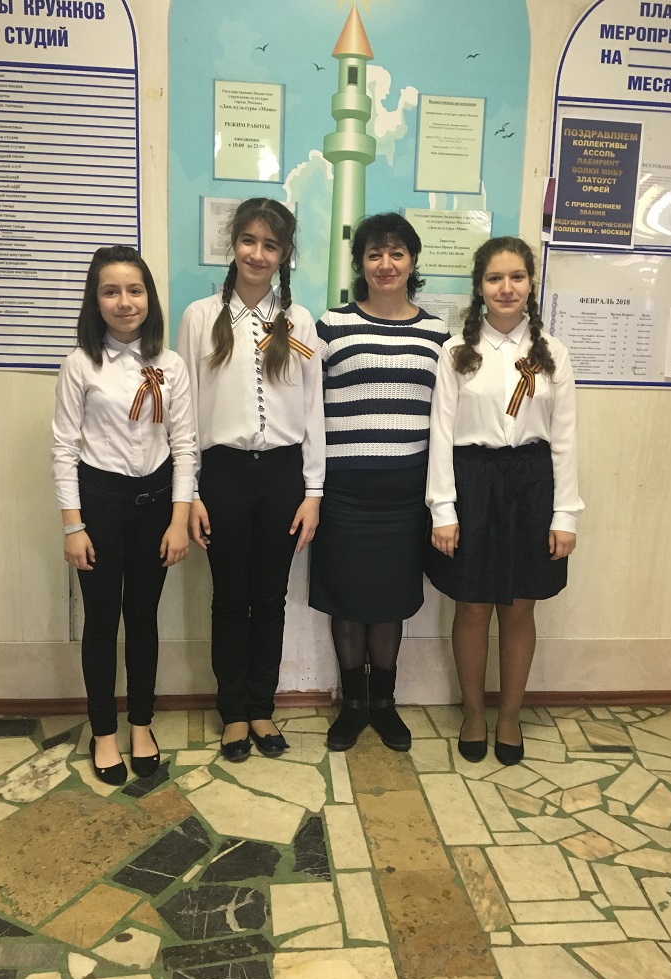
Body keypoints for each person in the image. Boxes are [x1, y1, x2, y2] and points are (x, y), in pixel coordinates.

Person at [176, 198, 325, 762]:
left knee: (270, 598)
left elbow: (313, 410)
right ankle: (233, 712)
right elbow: (184, 414)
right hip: (223, 476)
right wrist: (190, 493)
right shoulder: (199, 317)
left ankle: (262, 707)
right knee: (229, 598)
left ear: (284, 254)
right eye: (248, 240)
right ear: (233, 244)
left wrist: (313, 492)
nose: (257, 254)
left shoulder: (298, 322)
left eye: (270, 244)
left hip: (283, 476)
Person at [425, 236, 583, 766]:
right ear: (480, 286)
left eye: (517, 277)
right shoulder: (456, 352)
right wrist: (443, 510)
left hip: (533, 483)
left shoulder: (551, 353)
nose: (506, 288)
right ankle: (473, 712)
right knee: (471, 605)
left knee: (519, 607)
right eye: (495, 278)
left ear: (530, 284)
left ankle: (510, 715)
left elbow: (565, 439)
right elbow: (441, 436)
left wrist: (565, 515)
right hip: (472, 481)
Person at [52, 245, 196, 786]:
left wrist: (178, 520)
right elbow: (64, 449)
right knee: (100, 622)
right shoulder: (80, 364)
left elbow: (185, 446)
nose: (124, 301)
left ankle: (141, 724)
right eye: (110, 291)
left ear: (149, 298)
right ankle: (104, 731)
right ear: (96, 301)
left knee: (143, 619)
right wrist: (73, 526)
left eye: (135, 290)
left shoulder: (171, 364)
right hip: (99, 507)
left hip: (155, 506)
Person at [310, 213, 449, 753]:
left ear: (412, 262)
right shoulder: (331, 326)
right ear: (360, 264)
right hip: (343, 493)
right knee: (347, 601)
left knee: (390, 602)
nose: (385, 264)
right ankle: (352, 705)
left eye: (396, 253)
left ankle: (384, 704)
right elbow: (306, 405)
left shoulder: (438, 334)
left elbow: (446, 417)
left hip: (405, 496)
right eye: (374, 254)